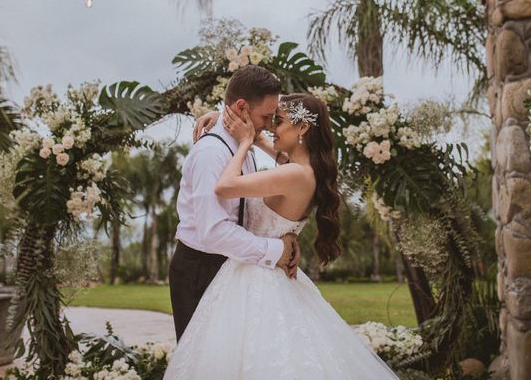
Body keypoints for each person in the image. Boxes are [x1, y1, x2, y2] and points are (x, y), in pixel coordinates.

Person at [164, 92, 399, 379]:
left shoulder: (294, 174)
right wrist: (225, 120)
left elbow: (225, 186)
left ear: (302, 128)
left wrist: (245, 142)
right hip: (258, 269)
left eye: (280, 121)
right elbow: (268, 142)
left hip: (256, 278)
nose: (273, 127)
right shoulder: (299, 167)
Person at [168, 65, 300, 342]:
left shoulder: (244, 147)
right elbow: (214, 232)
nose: (270, 124)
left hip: (233, 266)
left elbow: (297, 165)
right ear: (241, 107)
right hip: (200, 271)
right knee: (204, 362)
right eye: (266, 116)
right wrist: (277, 250)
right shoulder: (211, 154)